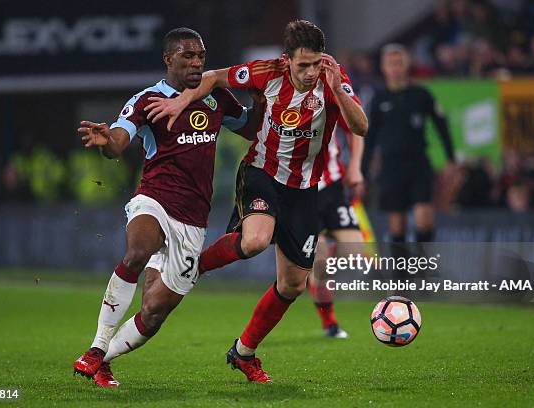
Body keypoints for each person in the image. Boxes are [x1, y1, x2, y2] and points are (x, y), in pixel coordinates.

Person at [145, 20, 368, 383]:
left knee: (293, 285)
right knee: (255, 240)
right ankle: (195, 266)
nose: (310, 72)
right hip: (262, 172)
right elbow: (215, 76)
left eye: (315, 64)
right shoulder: (267, 72)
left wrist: (338, 92)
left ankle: (244, 352)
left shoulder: (332, 77)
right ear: (287, 60)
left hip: (304, 188)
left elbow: (360, 127)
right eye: (302, 65)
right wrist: (183, 100)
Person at [72, 27, 262, 387]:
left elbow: (251, 128)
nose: (196, 62)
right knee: (136, 251)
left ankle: (106, 359)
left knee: (154, 312)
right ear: (168, 59)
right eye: (187, 55)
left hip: (193, 220)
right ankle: (96, 348)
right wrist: (105, 142)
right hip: (154, 199)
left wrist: (261, 98)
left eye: (201, 56)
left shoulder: (216, 98)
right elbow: (118, 141)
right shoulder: (146, 100)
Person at [362, 44, 455, 245]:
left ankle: (423, 268)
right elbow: (369, 137)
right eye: (391, 64)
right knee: (397, 225)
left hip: (418, 164)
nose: (395, 68)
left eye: (399, 63)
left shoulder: (421, 95)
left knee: (424, 220)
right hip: (391, 167)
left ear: (407, 65)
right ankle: (401, 274)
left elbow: (442, 125)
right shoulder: (378, 99)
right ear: (384, 67)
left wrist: (450, 158)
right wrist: (362, 170)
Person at [309, 122, 365, 339]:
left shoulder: (335, 88)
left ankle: (311, 270)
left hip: (332, 185)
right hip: (301, 189)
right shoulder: (282, 90)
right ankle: (330, 323)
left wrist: (355, 165)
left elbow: (356, 127)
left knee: (355, 253)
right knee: (320, 262)